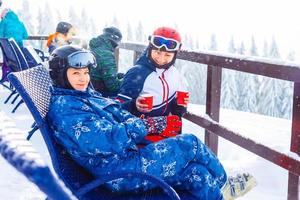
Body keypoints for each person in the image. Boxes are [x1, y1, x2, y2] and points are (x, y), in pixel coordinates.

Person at [46, 45, 256, 200]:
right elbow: (106, 140)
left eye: (85, 73)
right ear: (61, 75)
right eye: (75, 73)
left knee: (196, 174)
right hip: (119, 172)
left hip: (125, 158)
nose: (83, 78)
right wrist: (146, 125)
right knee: (189, 144)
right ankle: (225, 185)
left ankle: (218, 195)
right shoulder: (66, 108)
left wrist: (139, 122)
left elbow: (118, 113)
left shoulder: (83, 95)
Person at [117, 27, 188, 142]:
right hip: (142, 137)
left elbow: (175, 108)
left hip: (168, 135)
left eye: (167, 55)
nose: (161, 58)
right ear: (150, 49)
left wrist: (179, 108)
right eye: (157, 52)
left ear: (175, 55)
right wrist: (134, 105)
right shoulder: (138, 72)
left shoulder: (174, 73)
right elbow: (118, 108)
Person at [89, 26, 123, 97]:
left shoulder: (95, 47)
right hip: (99, 93)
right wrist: (127, 79)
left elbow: (101, 72)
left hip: (91, 87)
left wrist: (117, 76)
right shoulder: (106, 54)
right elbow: (113, 86)